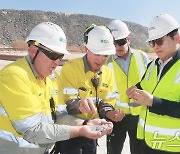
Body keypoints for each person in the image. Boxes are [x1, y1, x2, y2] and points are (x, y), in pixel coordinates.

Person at [0, 22, 113, 154]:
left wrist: (85, 123)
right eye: (53, 55)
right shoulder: (15, 76)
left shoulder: (53, 79)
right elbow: (32, 131)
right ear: (33, 50)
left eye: (60, 57)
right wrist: (80, 131)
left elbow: (59, 115)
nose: (56, 62)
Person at [54, 25, 124, 154]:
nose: (101, 59)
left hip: (92, 131)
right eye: (97, 54)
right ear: (87, 49)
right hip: (72, 132)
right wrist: (79, 104)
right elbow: (64, 103)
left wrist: (109, 113)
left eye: (105, 55)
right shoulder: (70, 69)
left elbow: (107, 101)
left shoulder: (108, 73)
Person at [126, 13, 180, 154]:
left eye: (160, 41)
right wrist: (135, 89)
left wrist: (153, 102)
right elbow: (145, 85)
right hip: (146, 142)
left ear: (177, 38)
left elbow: (153, 99)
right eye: (152, 42)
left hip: (171, 146)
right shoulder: (153, 65)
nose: (155, 47)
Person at [106, 19, 149, 154]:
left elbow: (151, 81)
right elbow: (104, 91)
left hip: (139, 117)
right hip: (117, 117)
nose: (117, 46)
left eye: (121, 42)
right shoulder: (106, 62)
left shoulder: (142, 56)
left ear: (128, 39)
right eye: (114, 42)